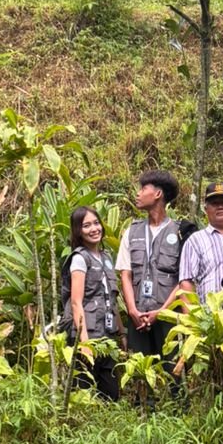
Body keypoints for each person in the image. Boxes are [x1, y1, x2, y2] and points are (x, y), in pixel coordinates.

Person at [117, 169, 189, 359]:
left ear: (158, 194)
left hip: (168, 318)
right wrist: (132, 310)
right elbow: (126, 274)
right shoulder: (131, 232)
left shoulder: (181, 232)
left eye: (143, 188)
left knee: (171, 372)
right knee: (138, 373)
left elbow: (184, 279)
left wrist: (162, 311)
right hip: (137, 317)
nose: (138, 193)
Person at [62, 205, 121, 400]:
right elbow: (76, 302)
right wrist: (84, 341)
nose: (94, 229)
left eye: (96, 223)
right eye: (86, 225)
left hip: (107, 334)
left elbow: (112, 298)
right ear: (78, 231)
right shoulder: (80, 259)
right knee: (84, 392)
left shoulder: (106, 257)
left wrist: (122, 332)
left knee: (112, 393)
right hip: (88, 333)